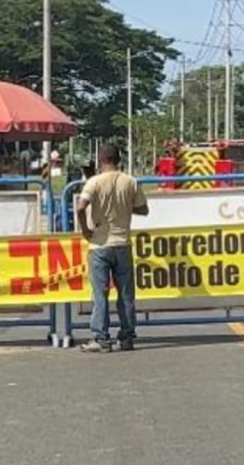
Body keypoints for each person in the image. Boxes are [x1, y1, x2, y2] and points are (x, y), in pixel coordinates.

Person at [76, 144, 149, 353]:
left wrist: (85, 230)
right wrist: (125, 206)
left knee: (100, 294)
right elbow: (143, 209)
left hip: (99, 245)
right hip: (123, 243)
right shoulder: (130, 181)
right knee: (126, 294)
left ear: (101, 160)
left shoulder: (94, 182)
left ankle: (101, 338)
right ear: (119, 160)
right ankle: (127, 337)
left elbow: (81, 207)